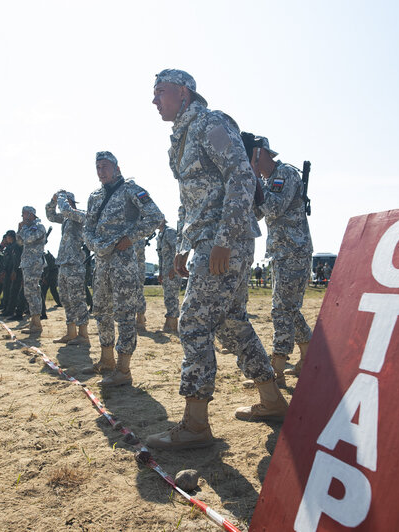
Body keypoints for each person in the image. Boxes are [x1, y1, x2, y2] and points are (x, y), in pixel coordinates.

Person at [146, 69, 288, 450]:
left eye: (160, 92)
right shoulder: (180, 138)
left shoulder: (211, 123)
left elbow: (241, 176)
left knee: (193, 321)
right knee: (230, 323)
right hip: (206, 240)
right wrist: (181, 245)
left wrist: (225, 238)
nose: (154, 100)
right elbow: (188, 198)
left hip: (227, 239)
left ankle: (195, 425)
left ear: (184, 93)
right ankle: (272, 400)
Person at [83, 151, 164, 386]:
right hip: (101, 264)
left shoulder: (130, 189)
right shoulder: (94, 196)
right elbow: (87, 228)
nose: (101, 171)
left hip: (123, 262)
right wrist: (95, 245)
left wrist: (131, 237)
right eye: (98, 167)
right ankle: (106, 360)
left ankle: (123, 369)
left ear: (117, 168)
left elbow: (155, 216)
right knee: (101, 311)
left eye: (105, 166)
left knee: (125, 315)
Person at [248, 134, 313, 384]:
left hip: (294, 251)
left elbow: (274, 208)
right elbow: (258, 214)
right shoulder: (266, 181)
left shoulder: (284, 173)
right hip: (280, 252)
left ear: (261, 153)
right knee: (289, 308)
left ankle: (276, 368)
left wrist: (255, 181)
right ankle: (307, 356)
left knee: (281, 310)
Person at [46, 190, 90, 345]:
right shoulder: (65, 218)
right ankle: (71, 333)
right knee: (65, 299)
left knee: (78, 299)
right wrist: (52, 201)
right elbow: (50, 216)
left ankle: (83, 335)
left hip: (75, 264)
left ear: (70, 201)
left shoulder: (80, 215)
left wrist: (61, 197)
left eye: (63, 201)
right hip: (63, 263)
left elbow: (66, 210)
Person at [16, 206, 46, 333]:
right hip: (27, 263)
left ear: (31, 214)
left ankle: (37, 324)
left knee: (32, 291)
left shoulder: (38, 226)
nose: (22, 216)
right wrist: (20, 229)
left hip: (34, 263)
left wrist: (22, 229)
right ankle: (33, 322)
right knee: (29, 292)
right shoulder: (26, 228)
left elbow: (28, 239)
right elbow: (20, 242)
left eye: (24, 214)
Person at [156, 220, 180, 332]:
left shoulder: (170, 232)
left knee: (172, 296)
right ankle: (170, 323)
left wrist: (174, 268)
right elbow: (160, 256)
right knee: (168, 296)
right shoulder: (160, 236)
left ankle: (172, 325)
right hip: (165, 271)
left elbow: (178, 249)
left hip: (172, 270)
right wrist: (160, 272)